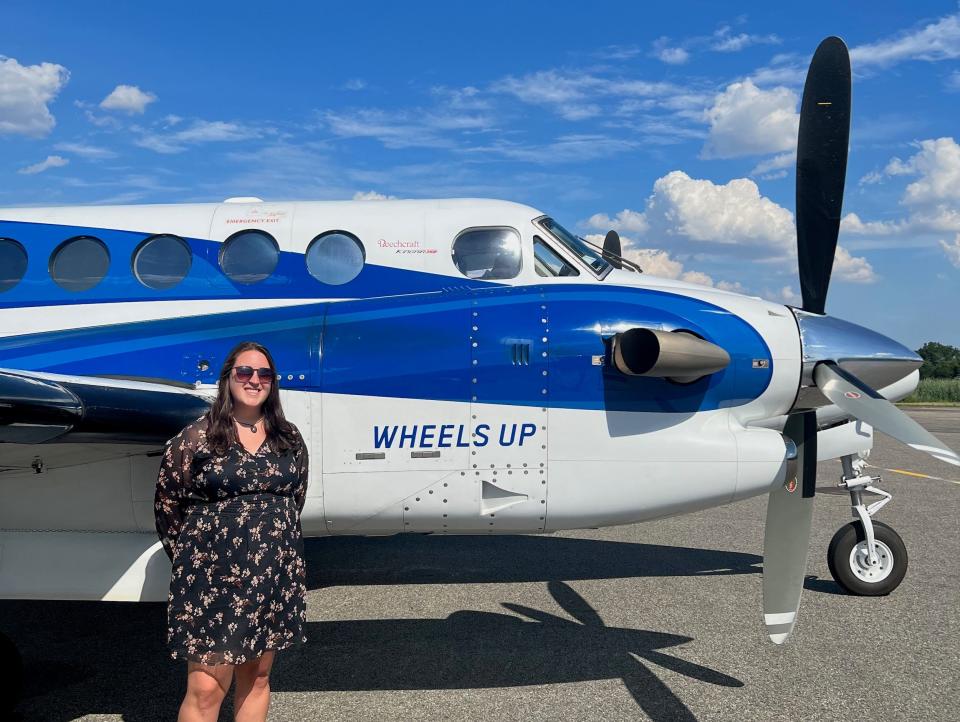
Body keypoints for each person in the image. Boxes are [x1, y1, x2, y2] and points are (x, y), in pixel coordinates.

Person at [155, 341, 308, 722]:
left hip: (272, 575)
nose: (254, 380)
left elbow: (294, 500)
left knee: (256, 679)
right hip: (212, 578)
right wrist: (199, 557)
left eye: (264, 374)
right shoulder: (195, 438)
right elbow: (167, 507)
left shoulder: (288, 438)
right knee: (206, 690)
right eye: (244, 372)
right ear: (228, 379)